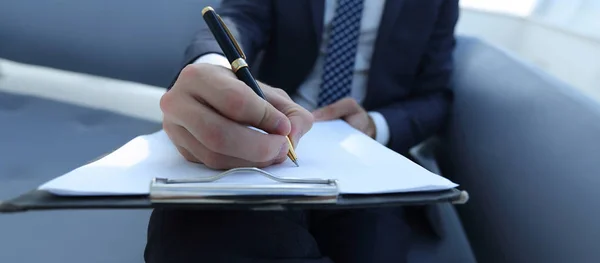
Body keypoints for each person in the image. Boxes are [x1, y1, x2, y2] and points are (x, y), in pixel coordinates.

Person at [144, 0, 459, 262]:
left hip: (365, 159)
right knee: (197, 238)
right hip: (266, 137)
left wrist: (374, 124)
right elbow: (238, 20)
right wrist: (213, 70)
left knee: (375, 245)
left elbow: (434, 97)